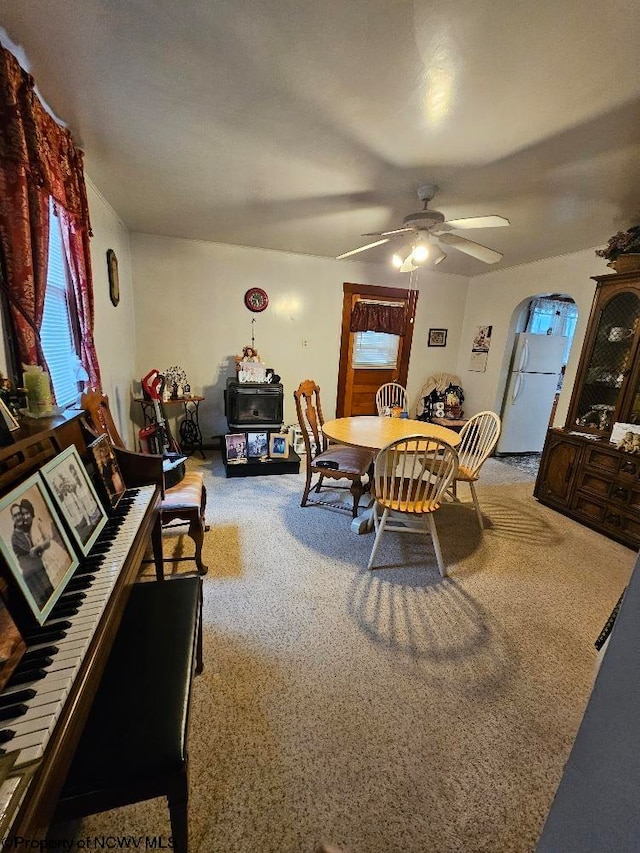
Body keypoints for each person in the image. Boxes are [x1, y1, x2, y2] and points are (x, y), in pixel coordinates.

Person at [10, 501, 54, 609]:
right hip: (33, 571)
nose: (20, 517)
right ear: (13, 518)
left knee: (52, 591)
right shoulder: (15, 536)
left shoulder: (28, 527)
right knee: (46, 597)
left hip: (42, 564)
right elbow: (30, 551)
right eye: (16, 515)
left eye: (20, 513)